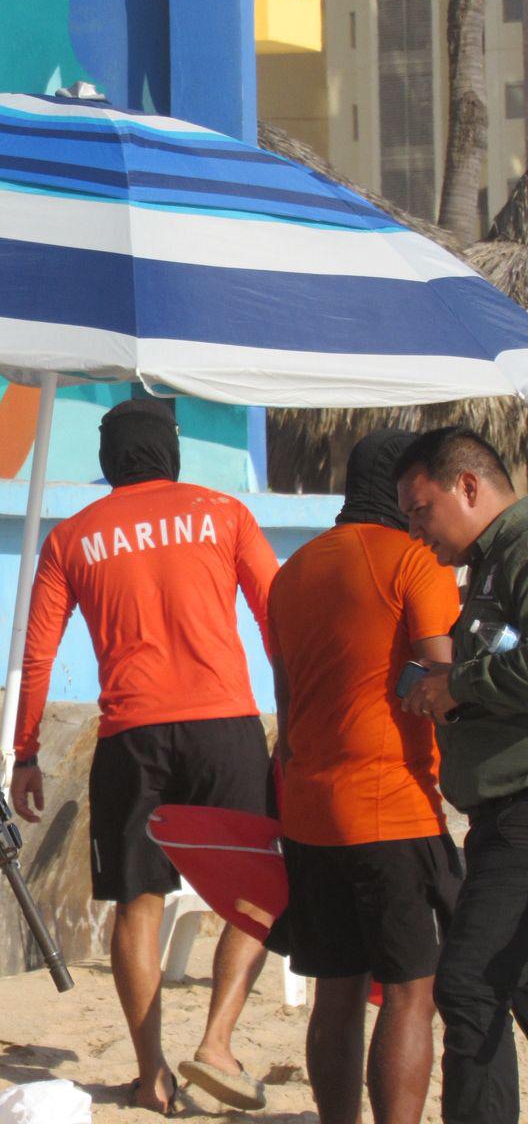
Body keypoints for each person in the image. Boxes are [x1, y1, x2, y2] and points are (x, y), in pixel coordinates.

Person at [11, 397, 277, 1114]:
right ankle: (218, 1041)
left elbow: (36, 654)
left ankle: (152, 1071)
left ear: (108, 459)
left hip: (132, 735)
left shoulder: (73, 537)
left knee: (139, 900)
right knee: (255, 894)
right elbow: (274, 613)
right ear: (169, 450)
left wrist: (25, 750)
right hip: (225, 725)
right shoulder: (223, 513)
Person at [269, 429, 461, 1124]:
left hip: (311, 811)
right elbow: (441, 678)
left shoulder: (293, 572)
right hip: (392, 807)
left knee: (336, 991)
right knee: (411, 990)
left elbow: (286, 708)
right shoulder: (415, 562)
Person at [394, 427, 527, 1124]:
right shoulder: (494, 562)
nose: (417, 531)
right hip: (499, 813)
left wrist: (460, 686)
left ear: (467, 486)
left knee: (470, 985)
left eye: (421, 510)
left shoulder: (522, 549)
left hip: (522, 812)